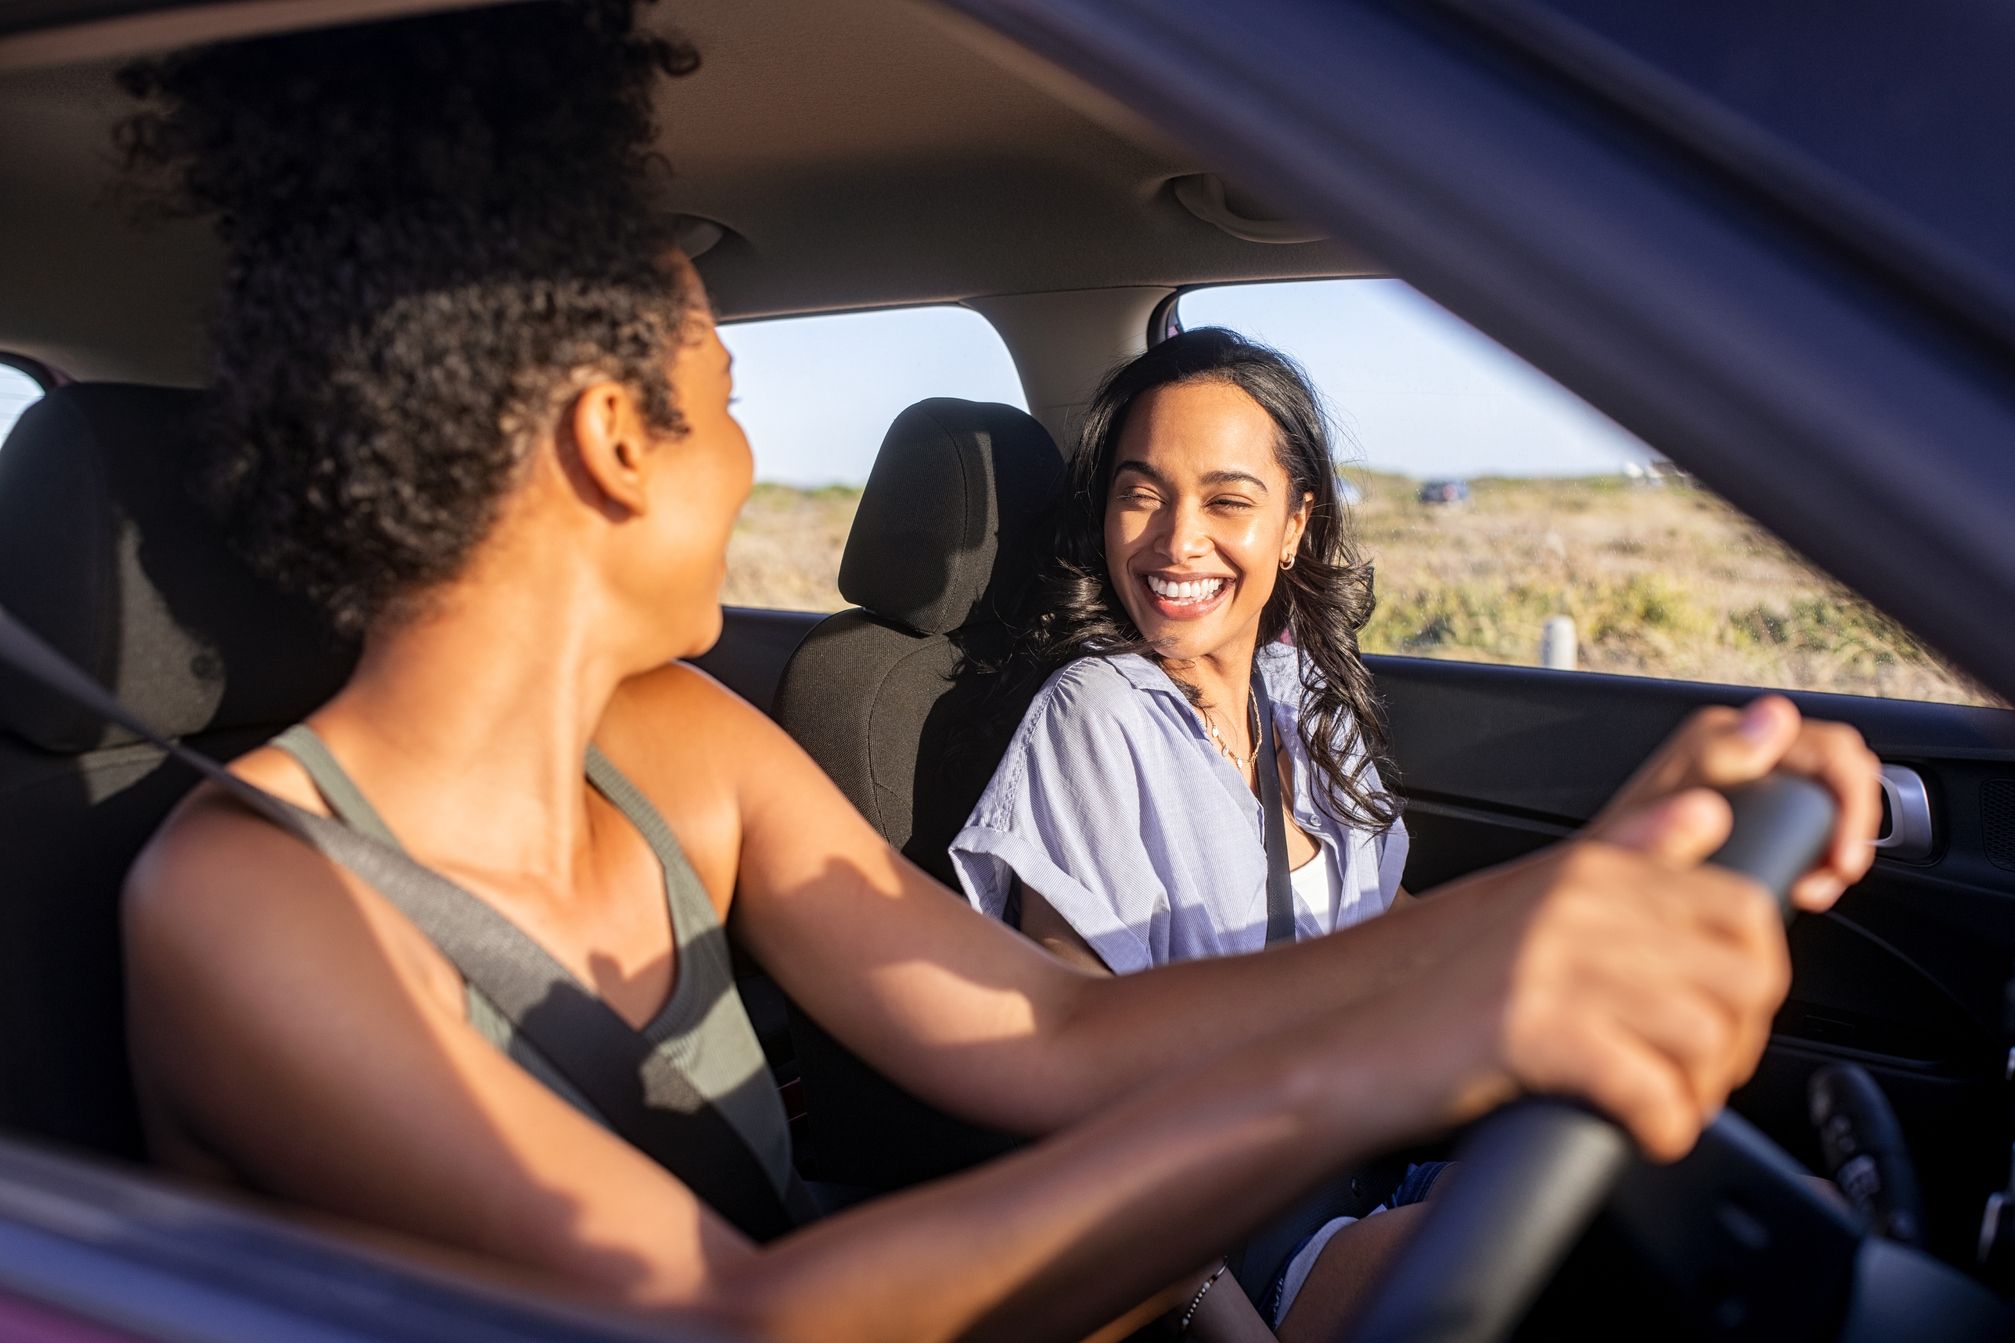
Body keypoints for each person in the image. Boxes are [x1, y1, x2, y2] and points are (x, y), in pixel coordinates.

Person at [115, 6, 1881, 1343]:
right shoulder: (248, 900)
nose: (746, 464)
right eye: (724, 400)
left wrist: (1571, 901)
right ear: (609, 442)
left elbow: (1051, 1026)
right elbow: (734, 1317)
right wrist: (1390, 1057)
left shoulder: (676, 740)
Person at [949, 328, 1881, 1336]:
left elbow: (1389, 926)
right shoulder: (1092, 716)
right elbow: (1077, 1100)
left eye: (1225, 500)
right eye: (1140, 493)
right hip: (1254, 1236)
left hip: (1396, 1150)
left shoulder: (1295, 688)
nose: (1176, 539)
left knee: (1792, 1230)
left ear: (1294, 523)